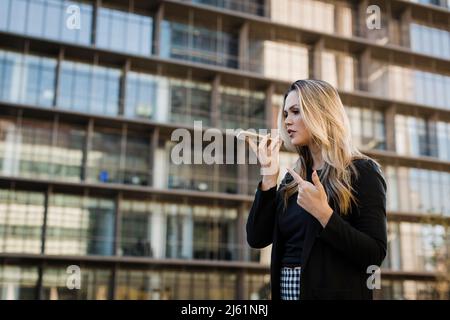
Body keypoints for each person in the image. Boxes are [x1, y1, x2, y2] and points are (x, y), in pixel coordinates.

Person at [245, 79, 387, 300]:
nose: (287, 121)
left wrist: (324, 214)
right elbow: (256, 238)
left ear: (320, 113)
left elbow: (373, 254)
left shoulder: (362, 171)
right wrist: (268, 177)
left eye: (295, 112)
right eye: (285, 114)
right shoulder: (292, 180)